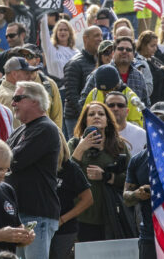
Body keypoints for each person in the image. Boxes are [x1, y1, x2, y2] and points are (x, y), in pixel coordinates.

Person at [6, 81, 60, 258]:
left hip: (37, 215)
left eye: (18, 98)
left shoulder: (45, 128)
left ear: (35, 101)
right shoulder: (20, 130)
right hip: (19, 214)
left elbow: (12, 160)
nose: (13, 103)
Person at [68, 101, 133, 242]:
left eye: (101, 114)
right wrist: (81, 149)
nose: (96, 116)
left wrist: (107, 176)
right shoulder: (74, 144)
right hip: (80, 216)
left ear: (107, 120)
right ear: (85, 120)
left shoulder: (119, 146)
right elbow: (65, 177)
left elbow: (131, 179)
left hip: (111, 216)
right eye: (91, 114)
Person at [49, 130, 93, 259]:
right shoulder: (38, 166)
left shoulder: (70, 168)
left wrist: (62, 220)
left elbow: (88, 199)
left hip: (64, 230)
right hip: (41, 227)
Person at [62, 26, 101, 136]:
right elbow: (71, 95)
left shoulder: (100, 62)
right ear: (85, 39)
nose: (100, 39)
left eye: (101, 35)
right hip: (76, 118)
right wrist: (86, 115)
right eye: (96, 36)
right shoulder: (74, 64)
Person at [105, 91, 146, 157]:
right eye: (111, 105)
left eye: (120, 105)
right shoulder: (98, 133)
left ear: (127, 111)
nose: (116, 108)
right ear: (104, 110)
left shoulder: (141, 134)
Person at [40, 16, 79, 83]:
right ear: (56, 32)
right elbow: (44, 30)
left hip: (70, 88)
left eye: (65, 30)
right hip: (55, 87)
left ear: (70, 33)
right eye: (60, 30)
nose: (62, 32)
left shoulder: (76, 52)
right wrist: (44, 13)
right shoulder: (50, 48)